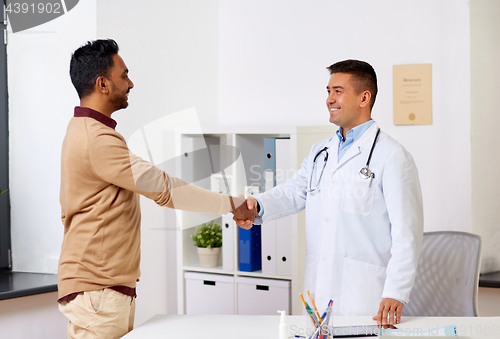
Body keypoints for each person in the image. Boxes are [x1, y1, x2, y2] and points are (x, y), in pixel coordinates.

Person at [58, 39, 257, 339]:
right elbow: (164, 189)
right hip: (98, 291)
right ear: (102, 84)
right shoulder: (96, 139)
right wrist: (232, 204)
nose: (131, 83)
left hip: (99, 288)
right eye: (123, 76)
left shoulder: (84, 131)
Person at [235, 60, 423, 326]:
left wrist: (396, 292)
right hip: (318, 293)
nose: (329, 99)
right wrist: (256, 205)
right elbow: (293, 192)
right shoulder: (320, 152)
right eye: (328, 91)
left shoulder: (392, 156)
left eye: (338, 91)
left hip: (365, 297)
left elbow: (407, 233)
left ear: (364, 97)